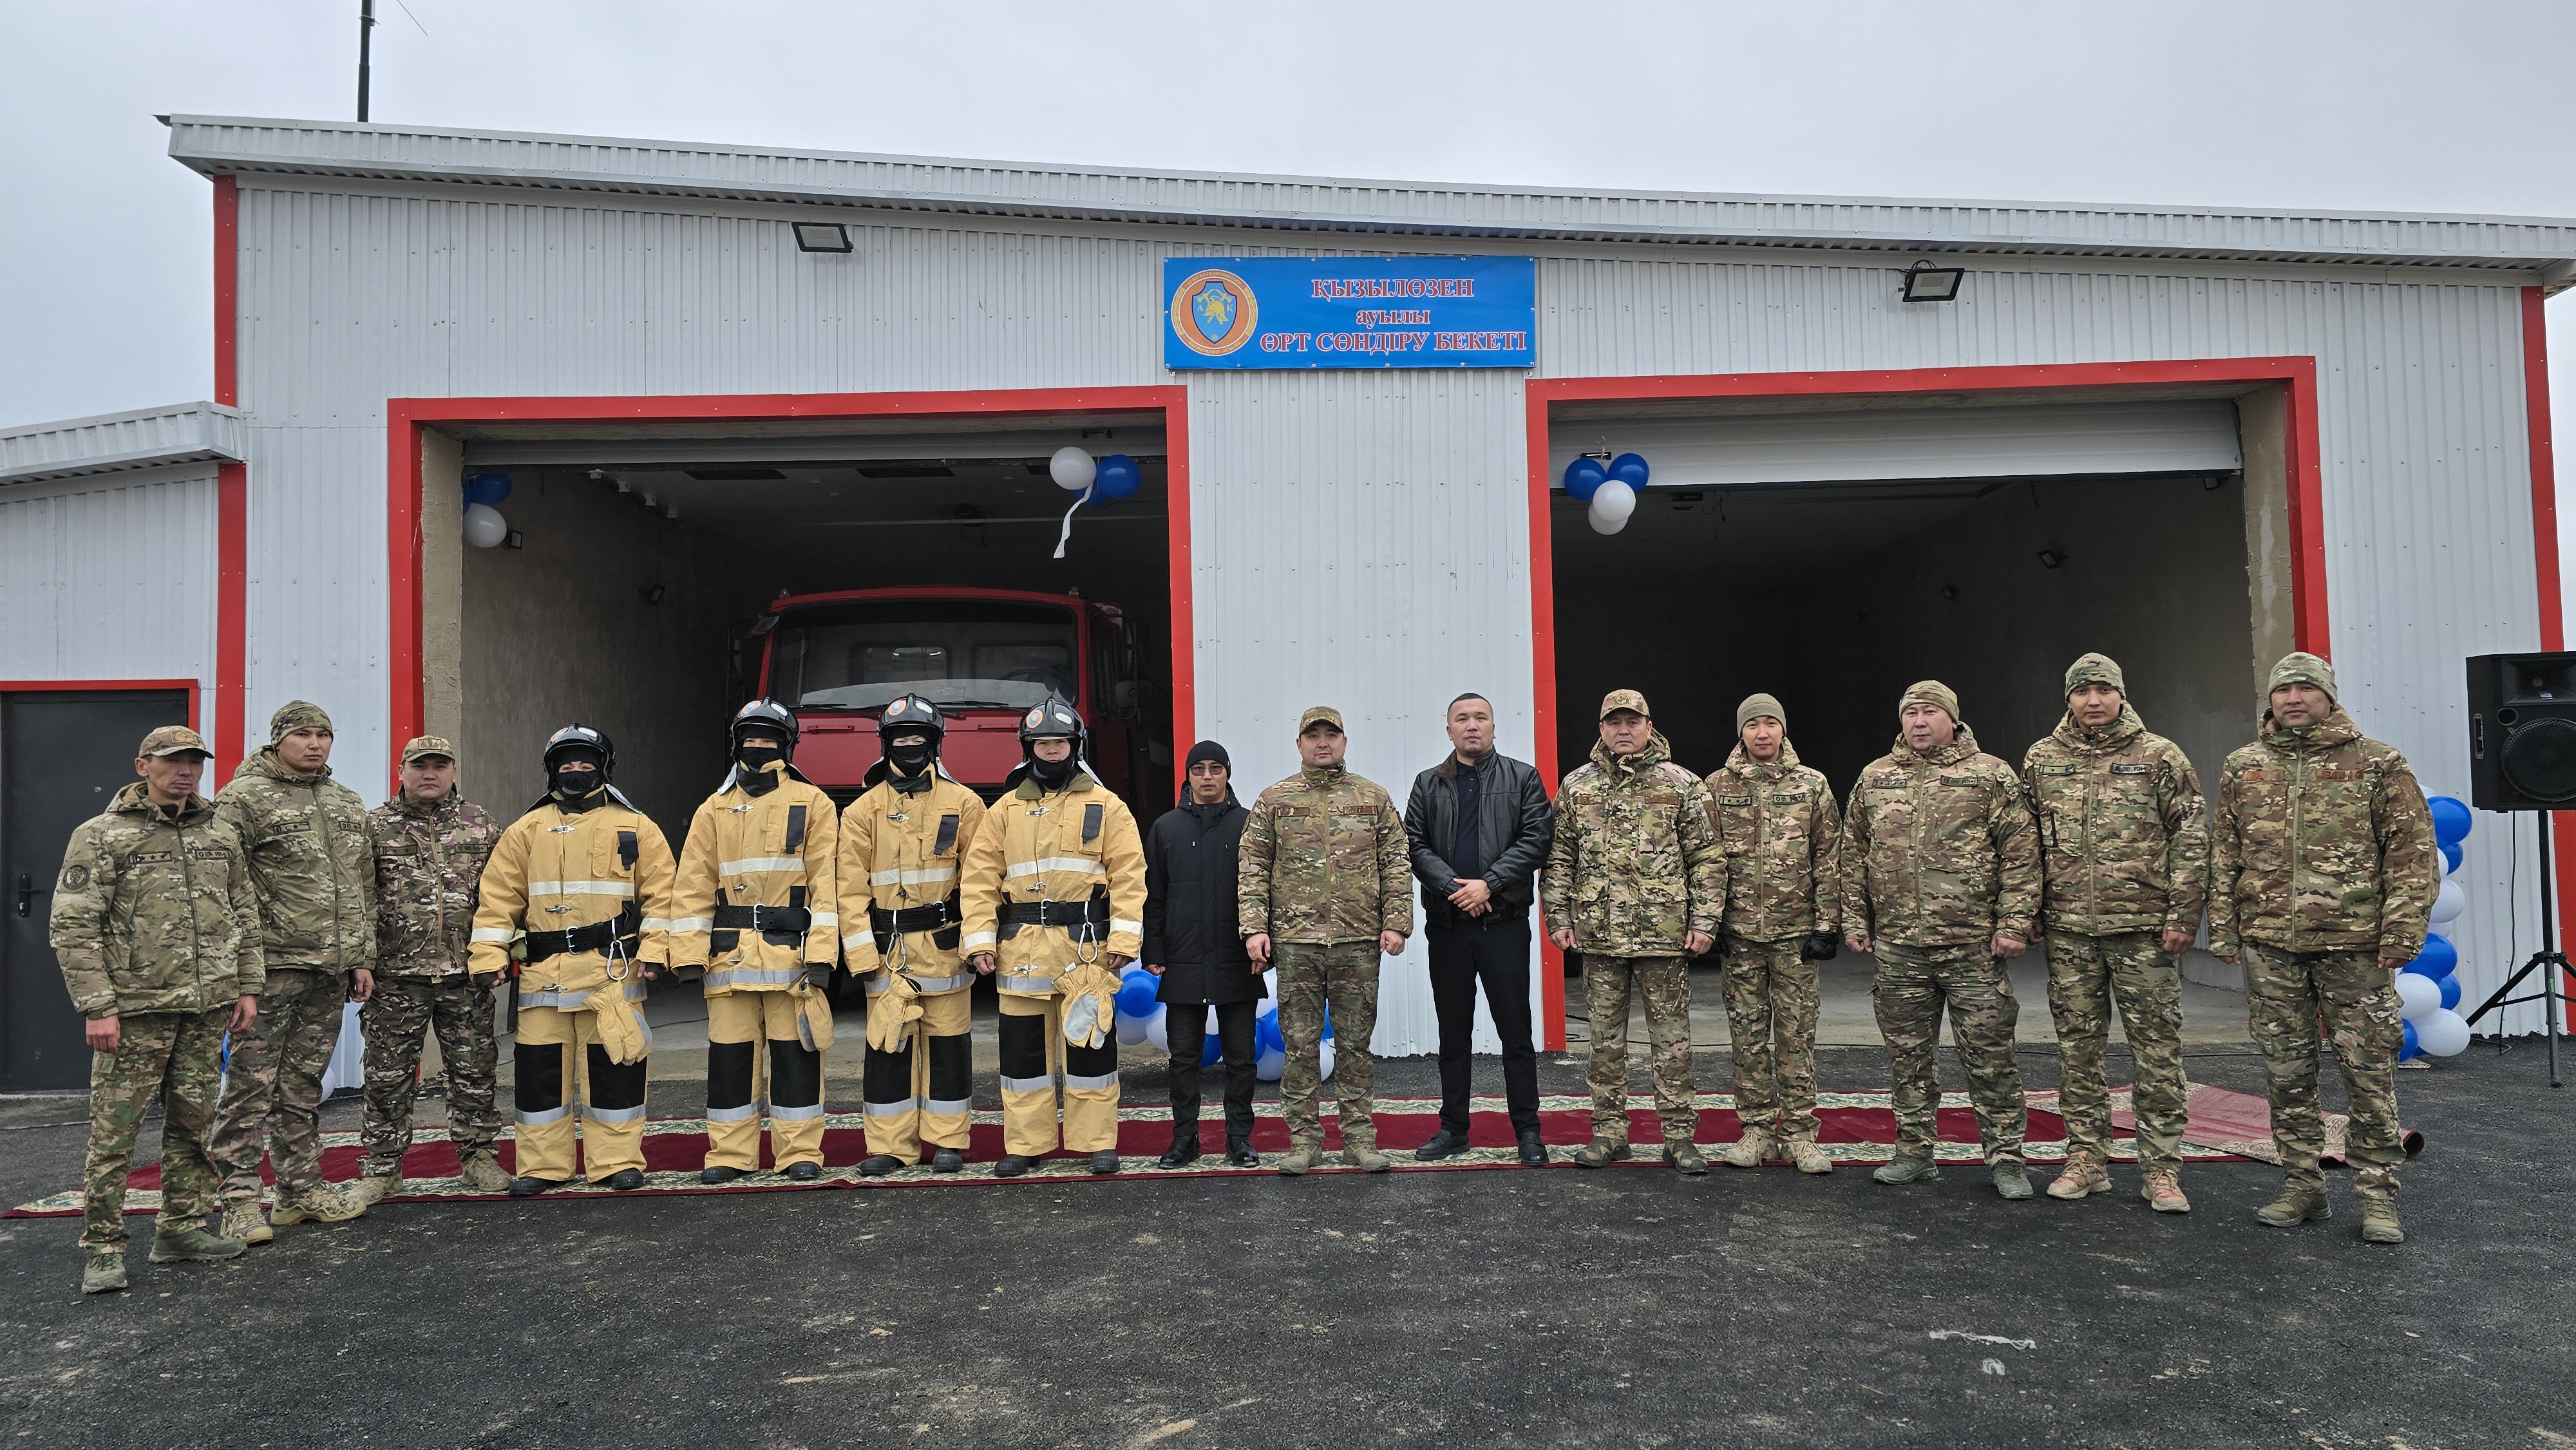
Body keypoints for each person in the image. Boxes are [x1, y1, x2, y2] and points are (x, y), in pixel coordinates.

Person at [2210, 651, 2435, 1245]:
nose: (2292, 699)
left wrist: (2402, 932)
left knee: (2367, 1072)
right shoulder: (2245, 766)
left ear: (2329, 697)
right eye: (2283, 690)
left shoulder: (2379, 764)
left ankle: (2378, 1195)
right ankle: (2301, 1186)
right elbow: (2225, 852)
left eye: (2306, 689)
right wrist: (2223, 927)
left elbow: (2411, 855)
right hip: (2270, 946)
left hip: (2355, 948)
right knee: (2286, 1071)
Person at [51, 726, 261, 1294]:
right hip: (136, 1011)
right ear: (142, 765)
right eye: (172, 762)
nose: (184, 771)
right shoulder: (101, 836)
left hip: (206, 1006)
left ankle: (183, 1229)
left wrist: (247, 985)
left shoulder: (219, 831)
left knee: (193, 1127)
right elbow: (74, 926)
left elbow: (243, 909)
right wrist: (97, 1006)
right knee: (114, 1136)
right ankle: (102, 1247)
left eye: (193, 761)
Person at [2020, 654, 2208, 1213]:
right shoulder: (2042, 759)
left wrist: (2183, 916)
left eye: (2104, 690)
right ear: (2069, 699)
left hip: (2144, 930)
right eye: (2083, 691)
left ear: (2122, 695)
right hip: (2071, 932)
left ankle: (2161, 1169)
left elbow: (2191, 836)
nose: (2093, 701)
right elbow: (2023, 842)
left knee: (2156, 1050)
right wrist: (2027, 911)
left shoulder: (2159, 755)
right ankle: (2086, 1160)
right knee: (2078, 1051)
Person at [1843, 681, 2041, 1199]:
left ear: (1953, 719)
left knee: (1990, 1054)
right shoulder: (1876, 777)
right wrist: (1854, 919)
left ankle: (2006, 1159)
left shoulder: (1990, 775)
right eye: (1910, 713)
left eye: (1930, 712)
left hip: (1973, 946)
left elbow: (2021, 854)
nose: (1919, 721)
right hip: (1900, 948)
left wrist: (2014, 924)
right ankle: (1914, 1153)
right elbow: (1852, 854)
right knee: (1908, 1058)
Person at [468, 725, 677, 1194]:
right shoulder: (525, 830)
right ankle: (543, 1166)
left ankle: (617, 1162)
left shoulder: (635, 826)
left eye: (587, 763)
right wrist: (488, 954)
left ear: (605, 768)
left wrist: (658, 950)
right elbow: (498, 897)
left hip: (612, 974)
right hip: (544, 976)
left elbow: (665, 896)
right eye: (567, 764)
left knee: (615, 1072)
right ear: (550, 770)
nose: (576, 772)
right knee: (539, 1078)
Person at [207, 701, 377, 1242]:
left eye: (323, 735)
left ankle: (298, 1191)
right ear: (278, 738)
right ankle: (237, 1200)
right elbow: (222, 883)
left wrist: (361, 956)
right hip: (269, 969)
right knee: (249, 1086)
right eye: (302, 734)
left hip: (327, 969)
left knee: (303, 1085)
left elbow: (362, 887)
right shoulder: (243, 799)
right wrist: (236, 971)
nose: (315, 744)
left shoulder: (344, 800)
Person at [961, 696, 1147, 1177]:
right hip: (1021, 952)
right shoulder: (1002, 811)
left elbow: (1129, 874)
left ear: (1074, 746)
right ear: (1028, 748)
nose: (1051, 751)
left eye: (1059, 742)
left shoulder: (1107, 806)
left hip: (1084, 952)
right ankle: (1025, 1144)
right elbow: (980, 880)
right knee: (1023, 1061)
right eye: (1042, 743)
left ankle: (1097, 1143)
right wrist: (979, 942)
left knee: (1092, 1054)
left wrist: (1124, 942)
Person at [1543, 690, 1723, 1174]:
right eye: (1614, 722)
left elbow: (1707, 857)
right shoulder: (1577, 786)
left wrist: (1705, 920)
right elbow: (1560, 858)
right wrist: (1557, 918)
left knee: (1673, 1042)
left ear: (1649, 725)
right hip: (1600, 937)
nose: (1624, 730)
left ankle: (1680, 1135)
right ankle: (1609, 1132)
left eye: (1632, 721)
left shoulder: (1682, 784)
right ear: (1601, 729)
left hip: (1663, 936)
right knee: (1604, 1042)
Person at [1239, 706, 1412, 1176]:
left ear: (1344, 741)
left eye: (1330, 735)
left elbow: (1396, 861)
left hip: (1357, 940)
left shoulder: (1372, 798)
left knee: (1356, 1046)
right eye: (1312, 736)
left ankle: (1359, 1141)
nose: (1322, 743)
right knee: (1300, 1047)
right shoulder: (1274, 800)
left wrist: (1396, 922)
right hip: (1296, 942)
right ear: (1299, 744)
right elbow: (1253, 866)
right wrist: (1255, 927)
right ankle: (1304, 1143)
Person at [674, 701, 841, 1183]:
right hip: (728, 960)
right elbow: (693, 885)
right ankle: (729, 1155)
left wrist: (823, 955)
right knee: (729, 1062)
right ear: (736, 742)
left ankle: (799, 1154)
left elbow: (827, 885)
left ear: (787, 746)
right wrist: (687, 955)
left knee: (797, 1058)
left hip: (791, 960)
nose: (759, 746)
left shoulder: (815, 804)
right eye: (751, 737)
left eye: (770, 739)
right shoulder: (714, 808)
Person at [354, 735, 508, 1205]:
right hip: (396, 976)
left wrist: (499, 954)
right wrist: (360, 962)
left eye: (440, 766)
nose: (430, 774)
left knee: (474, 1070)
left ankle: (478, 1155)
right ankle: (382, 1167)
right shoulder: (376, 827)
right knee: (387, 1075)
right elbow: (359, 898)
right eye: (420, 765)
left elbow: (503, 896)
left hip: (465, 974)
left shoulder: (480, 825)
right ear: (402, 770)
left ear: (453, 772)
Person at [1403, 692, 1553, 1167]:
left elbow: (1537, 840)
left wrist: (1488, 884)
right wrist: (1453, 887)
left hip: (1503, 925)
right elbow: (1414, 843)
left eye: (1480, 718)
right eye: (1461, 719)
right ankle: (1454, 1129)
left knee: (1515, 1032)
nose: (1472, 726)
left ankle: (1528, 1132)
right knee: (1454, 1033)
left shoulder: (1523, 778)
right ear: (1448, 730)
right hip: (1448, 926)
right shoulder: (1428, 784)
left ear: (1493, 727)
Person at [838, 693, 985, 1174]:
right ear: (886, 745)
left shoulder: (965, 804)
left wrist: (977, 942)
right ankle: (889, 1147)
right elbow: (848, 889)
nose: (910, 747)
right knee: (888, 1048)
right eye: (901, 740)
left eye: (919, 739)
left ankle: (948, 1141)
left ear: (936, 744)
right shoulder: (861, 812)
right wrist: (861, 958)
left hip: (944, 949)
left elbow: (981, 881)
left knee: (948, 1049)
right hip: (888, 953)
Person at [1704, 692, 1842, 1176]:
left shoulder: (1812, 785)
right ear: (1740, 732)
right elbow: (1705, 859)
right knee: (1746, 1035)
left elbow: (1828, 858)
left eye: (1770, 724)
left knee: (1796, 1035)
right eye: (1752, 725)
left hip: (1795, 935)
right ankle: (1757, 1131)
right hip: (1740, 934)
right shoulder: (1716, 787)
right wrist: (1711, 919)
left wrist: (1828, 925)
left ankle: (1801, 1135)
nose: (1762, 733)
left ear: (1784, 730)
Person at [1142, 740, 1262, 1169]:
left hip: (1237, 958)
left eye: (1216, 768)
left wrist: (1266, 944)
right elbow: (1154, 896)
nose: (1207, 776)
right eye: (1199, 770)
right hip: (1183, 959)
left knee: (1241, 1059)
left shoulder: (1250, 825)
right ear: (1188, 776)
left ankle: (1239, 1141)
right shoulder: (1166, 828)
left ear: (1227, 774)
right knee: (1183, 1059)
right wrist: (1153, 948)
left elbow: (1266, 893)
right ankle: (1185, 1141)